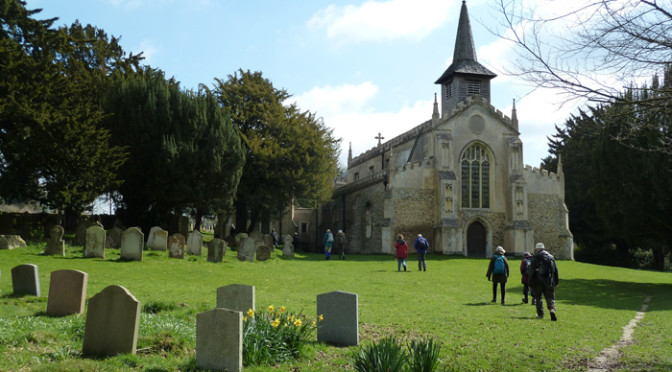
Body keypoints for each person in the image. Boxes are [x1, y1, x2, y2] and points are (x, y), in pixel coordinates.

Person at [528, 242, 559, 321]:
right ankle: (552, 309)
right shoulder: (551, 257)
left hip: (538, 281)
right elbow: (555, 270)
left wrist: (530, 283)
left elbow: (531, 271)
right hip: (549, 280)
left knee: (539, 298)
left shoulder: (535, 257)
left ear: (537, 249)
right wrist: (556, 281)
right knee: (550, 297)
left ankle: (540, 314)